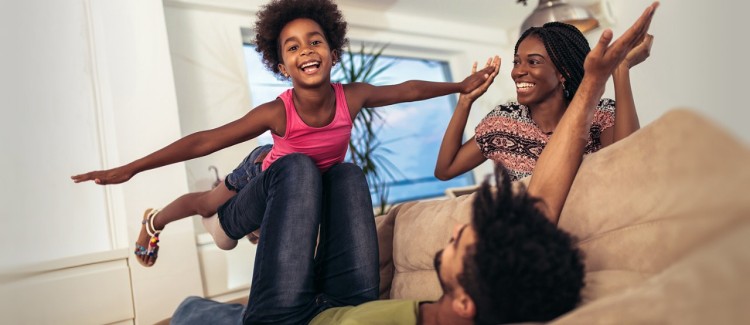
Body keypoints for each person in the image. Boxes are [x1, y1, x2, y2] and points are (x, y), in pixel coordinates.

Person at [170, 2, 659, 324]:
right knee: (342, 172)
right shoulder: (505, 124)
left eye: (463, 241)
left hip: (283, 316)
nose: (454, 233)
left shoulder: (597, 121)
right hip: (348, 300)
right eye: (520, 60)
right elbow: (538, 198)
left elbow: (609, 164)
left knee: (296, 170)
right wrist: (464, 96)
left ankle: (224, 226)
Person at [70, 0, 496, 268]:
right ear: (280, 65)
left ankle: (250, 227)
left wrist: (460, 87)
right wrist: (130, 167)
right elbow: (204, 140)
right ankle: (154, 220)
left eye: (314, 42)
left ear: (333, 50)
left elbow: (407, 90)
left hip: (313, 181)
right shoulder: (277, 112)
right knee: (208, 204)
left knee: (311, 208)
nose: (305, 51)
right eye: (292, 47)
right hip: (261, 171)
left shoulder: (354, 96)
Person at [434, 20, 654, 182]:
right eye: (517, 62)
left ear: (563, 73)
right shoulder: (503, 123)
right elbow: (445, 169)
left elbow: (628, 167)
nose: (518, 71)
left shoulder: (598, 114)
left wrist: (620, 69)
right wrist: (465, 101)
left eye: (533, 62)